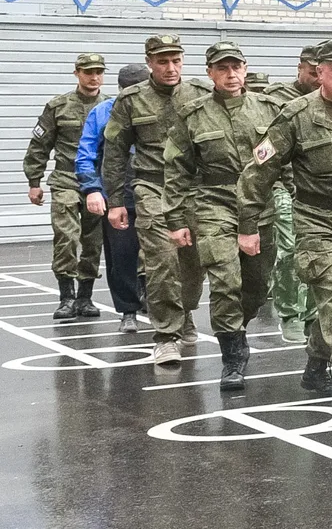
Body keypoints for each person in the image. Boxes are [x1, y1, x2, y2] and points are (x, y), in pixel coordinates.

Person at [237, 38, 332, 414]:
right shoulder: (296, 115)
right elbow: (259, 171)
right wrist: (248, 223)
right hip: (318, 219)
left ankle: (316, 365)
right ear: (319, 72)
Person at [162, 42, 277, 391]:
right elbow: (176, 168)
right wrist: (176, 218)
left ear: (245, 69)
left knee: (257, 286)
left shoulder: (270, 109)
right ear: (210, 72)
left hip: (260, 204)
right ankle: (232, 357)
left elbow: (285, 157)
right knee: (226, 282)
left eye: (236, 67)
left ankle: (238, 326)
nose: (231, 74)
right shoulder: (192, 114)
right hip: (213, 202)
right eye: (222, 68)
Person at [104, 34, 208, 368]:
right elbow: (115, 151)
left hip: (194, 190)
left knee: (193, 266)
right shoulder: (132, 100)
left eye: (176, 60)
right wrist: (115, 200)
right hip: (152, 188)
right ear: (149, 62)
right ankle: (165, 336)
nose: (170, 67)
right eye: (162, 61)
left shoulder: (201, 93)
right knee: (162, 263)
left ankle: (185, 312)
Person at [26, 52, 107, 321]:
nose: (94, 77)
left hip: (97, 183)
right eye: (88, 72)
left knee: (92, 241)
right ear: (77, 73)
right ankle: (66, 297)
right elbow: (40, 145)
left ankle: (85, 296)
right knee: (66, 237)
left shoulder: (111, 106)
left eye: (98, 72)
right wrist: (34, 182)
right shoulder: (58, 106)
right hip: (66, 180)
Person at [76, 64, 148, 332]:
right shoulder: (103, 113)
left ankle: (159, 303)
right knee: (121, 256)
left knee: (165, 255)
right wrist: (93, 190)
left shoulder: (163, 108)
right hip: (119, 193)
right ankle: (128, 310)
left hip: (157, 190)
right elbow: (85, 155)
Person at [263, 45, 322, 345]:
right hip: (281, 183)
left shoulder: (330, 99)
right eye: (312, 72)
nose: (317, 78)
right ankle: (289, 313)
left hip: (318, 186)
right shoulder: (275, 99)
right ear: (300, 68)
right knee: (288, 250)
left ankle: (313, 315)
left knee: (317, 254)